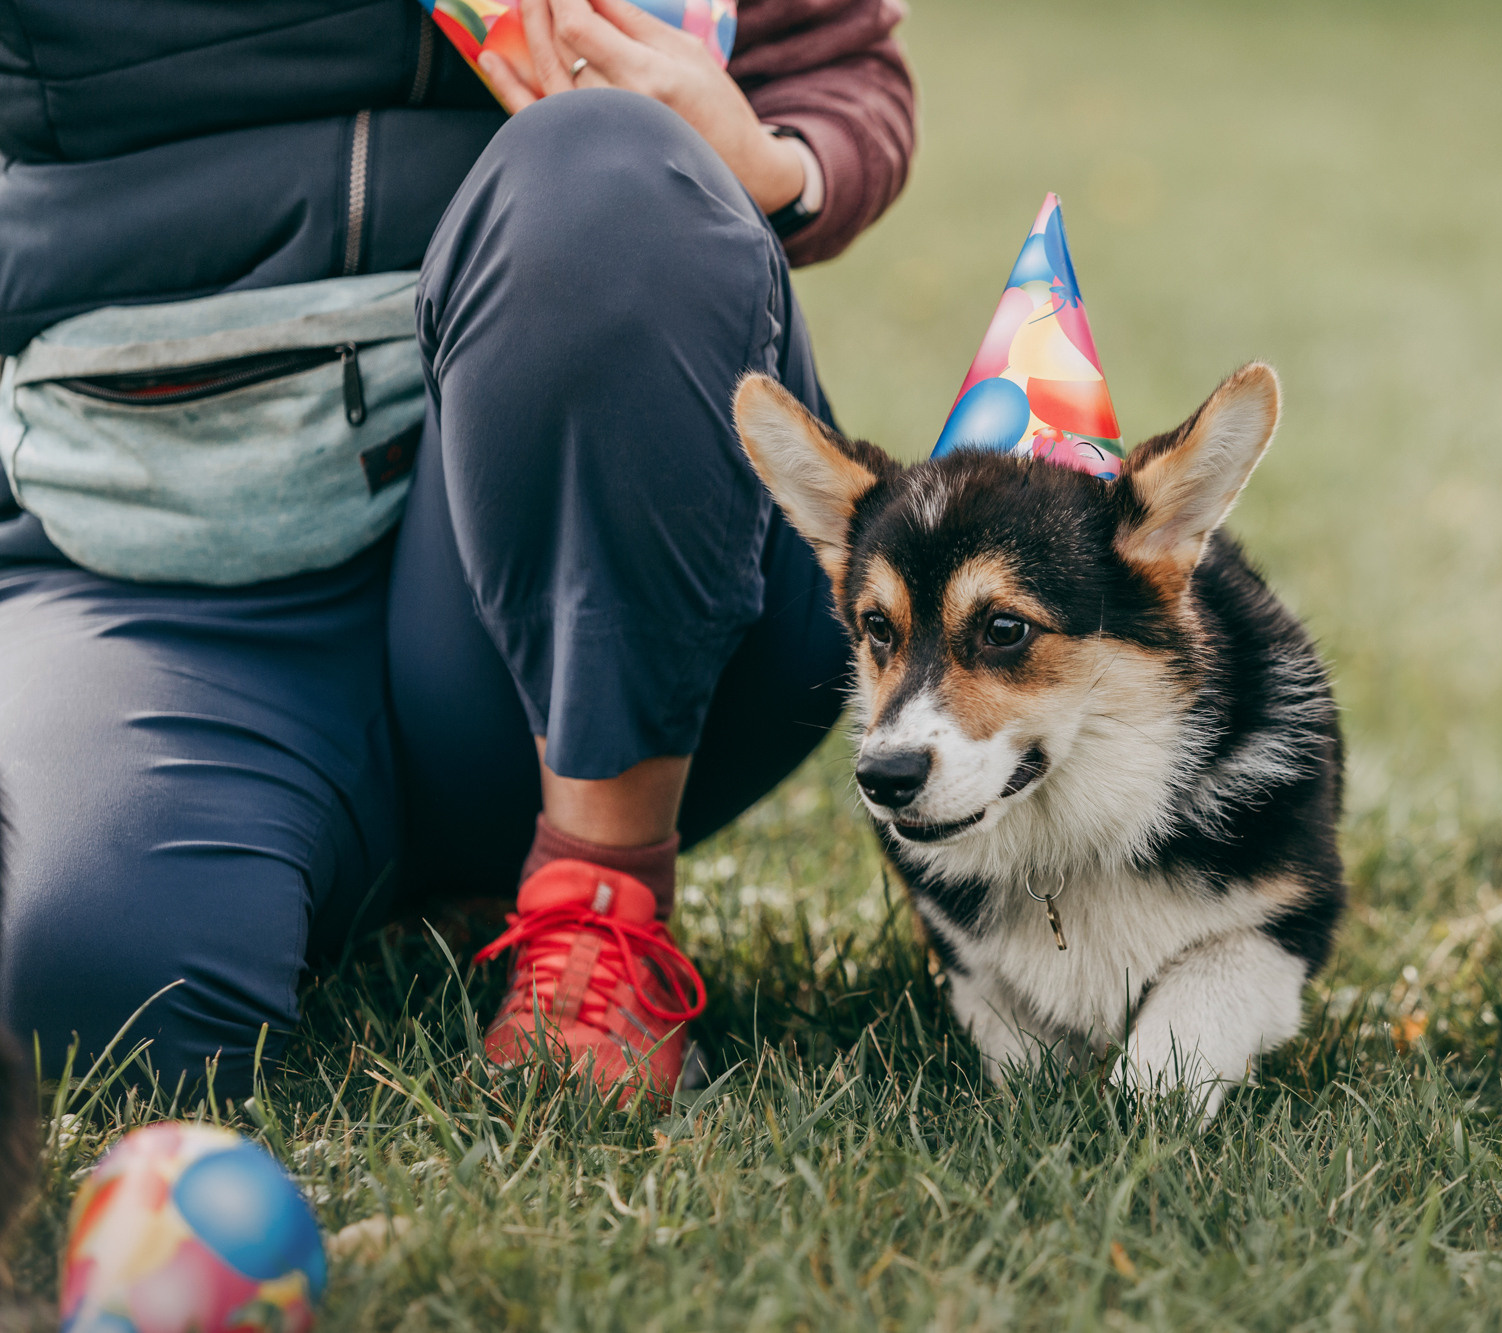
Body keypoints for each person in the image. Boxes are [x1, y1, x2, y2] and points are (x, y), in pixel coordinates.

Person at [0, 0, 914, 1101]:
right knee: (84, 990)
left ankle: (599, 896)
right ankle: (356, 880)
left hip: (605, 562)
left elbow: (837, 66)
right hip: (152, 568)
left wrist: (778, 167)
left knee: (603, 169)